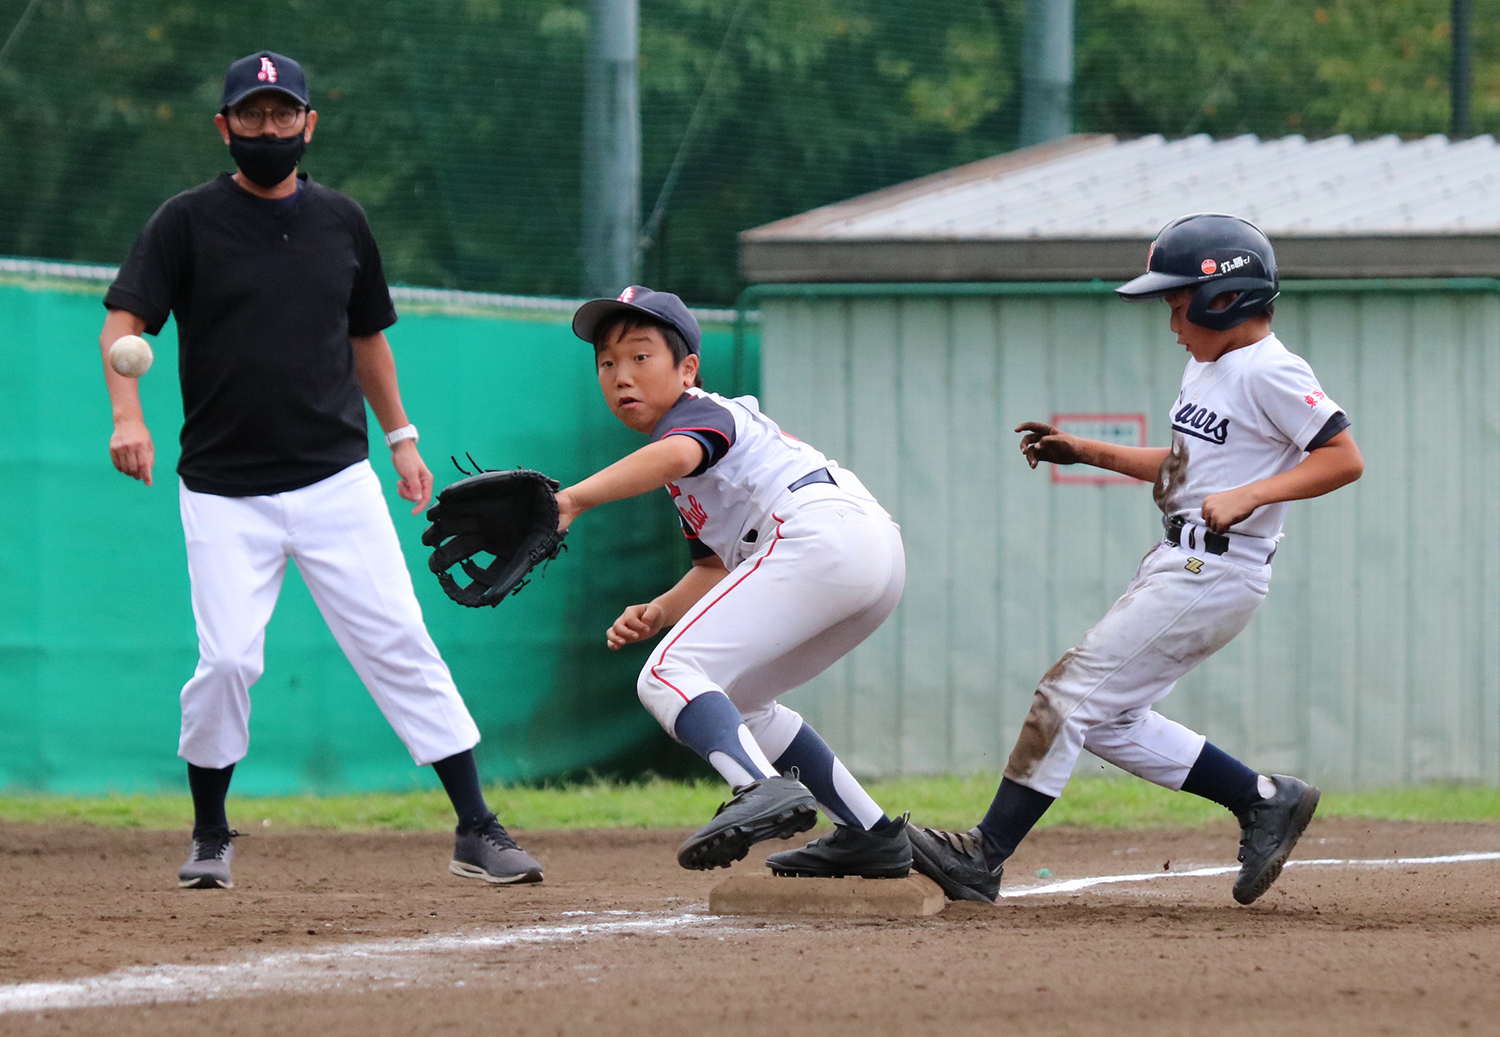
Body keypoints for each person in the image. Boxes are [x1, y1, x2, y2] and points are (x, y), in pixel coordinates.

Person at [99, 50, 542, 890]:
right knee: (227, 661)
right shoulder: (186, 221)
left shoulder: (342, 221)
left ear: (309, 123)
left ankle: (476, 827)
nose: (268, 128)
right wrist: (128, 417)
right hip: (224, 490)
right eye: (252, 114)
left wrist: (403, 436)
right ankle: (209, 833)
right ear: (224, 126)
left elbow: (366, 336)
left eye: (282, 113)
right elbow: (125, 321)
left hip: (336, 480)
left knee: (400, 642)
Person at [908, 214, 1364, 906]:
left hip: (1216, 567)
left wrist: (1252, 494)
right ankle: (1264, 799)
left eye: (1178, 304)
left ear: (1224, 298)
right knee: (1107, 717)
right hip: (1181, 559)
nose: (1172, 321)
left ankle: (985, 853)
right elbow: (1186, 471)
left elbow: (1342, 457)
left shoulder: (1270, 368)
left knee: (1066, 694)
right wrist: (1086, 449)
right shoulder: (1207, 368)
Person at [557, 286, 911, 877]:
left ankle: (759, 789)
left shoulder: (699, 414)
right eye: (607, 363)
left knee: (667, 674)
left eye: (641, 357)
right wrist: (661, 610)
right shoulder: (689, 455)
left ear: (687, 367)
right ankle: (870, 834)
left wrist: (573, 499)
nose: (622, 376)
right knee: (742, 702)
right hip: (864, 553)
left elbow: (675, 456)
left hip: (818, 537)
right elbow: (715, 567)